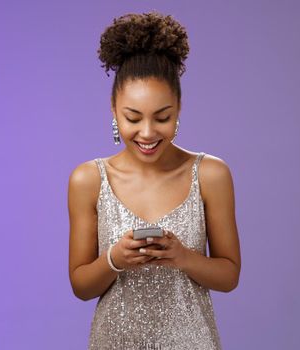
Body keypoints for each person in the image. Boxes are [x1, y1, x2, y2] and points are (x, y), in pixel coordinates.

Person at [68, 11, 241, 349]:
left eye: (162, 117)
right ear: (114, 111)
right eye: (133, 118)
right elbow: (80, 286)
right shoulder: (89, 179)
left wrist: (182, 256)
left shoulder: (210, 174)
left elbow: (229, 275)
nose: (147, 133)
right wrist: (115, 258)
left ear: (178, 110)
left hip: (192, 342)